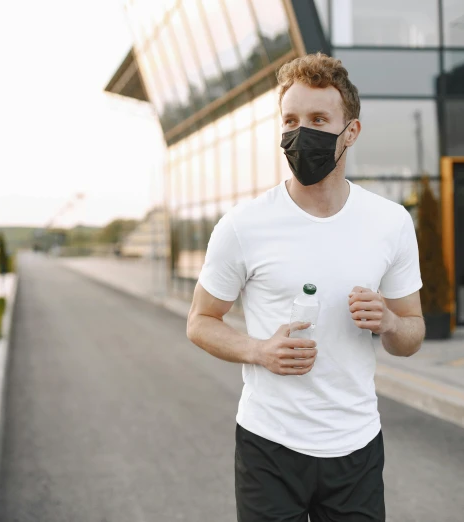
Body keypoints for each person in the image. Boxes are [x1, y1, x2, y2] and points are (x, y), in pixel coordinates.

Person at [186, 53, 426, 522]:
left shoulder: (390, 223)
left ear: (350, 132)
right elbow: (199, 321)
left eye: (318, 119)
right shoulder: (243, 226)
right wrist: (259, 352)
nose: (301, 133)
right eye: (290, 120)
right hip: (268, 448)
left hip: (355, 446)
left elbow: (411, 336)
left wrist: (392, 321)